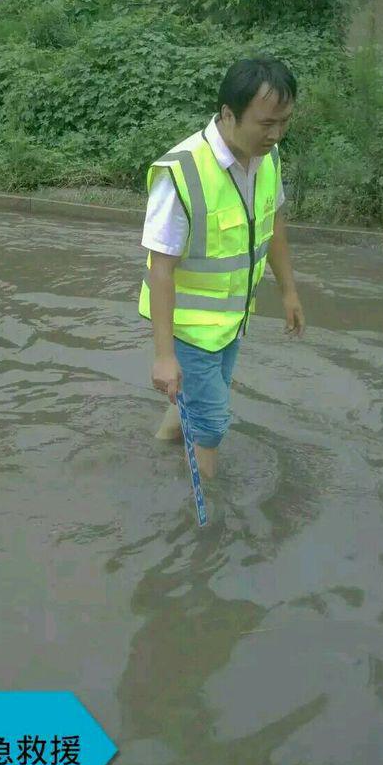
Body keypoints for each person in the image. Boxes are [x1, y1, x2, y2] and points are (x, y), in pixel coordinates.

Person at [139, 56, 305, 481]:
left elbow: (273, 222)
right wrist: (163, 356)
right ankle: (208, 506)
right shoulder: (181, 172)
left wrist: (288, 291)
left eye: (284, 122)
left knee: (195, 403)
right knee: (213, 422)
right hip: (189, 328)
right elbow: (161, 268)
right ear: (229, 114)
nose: (276, 133)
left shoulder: (267, 157)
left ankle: (157, 452)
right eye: (266, 123)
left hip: (231, 321)